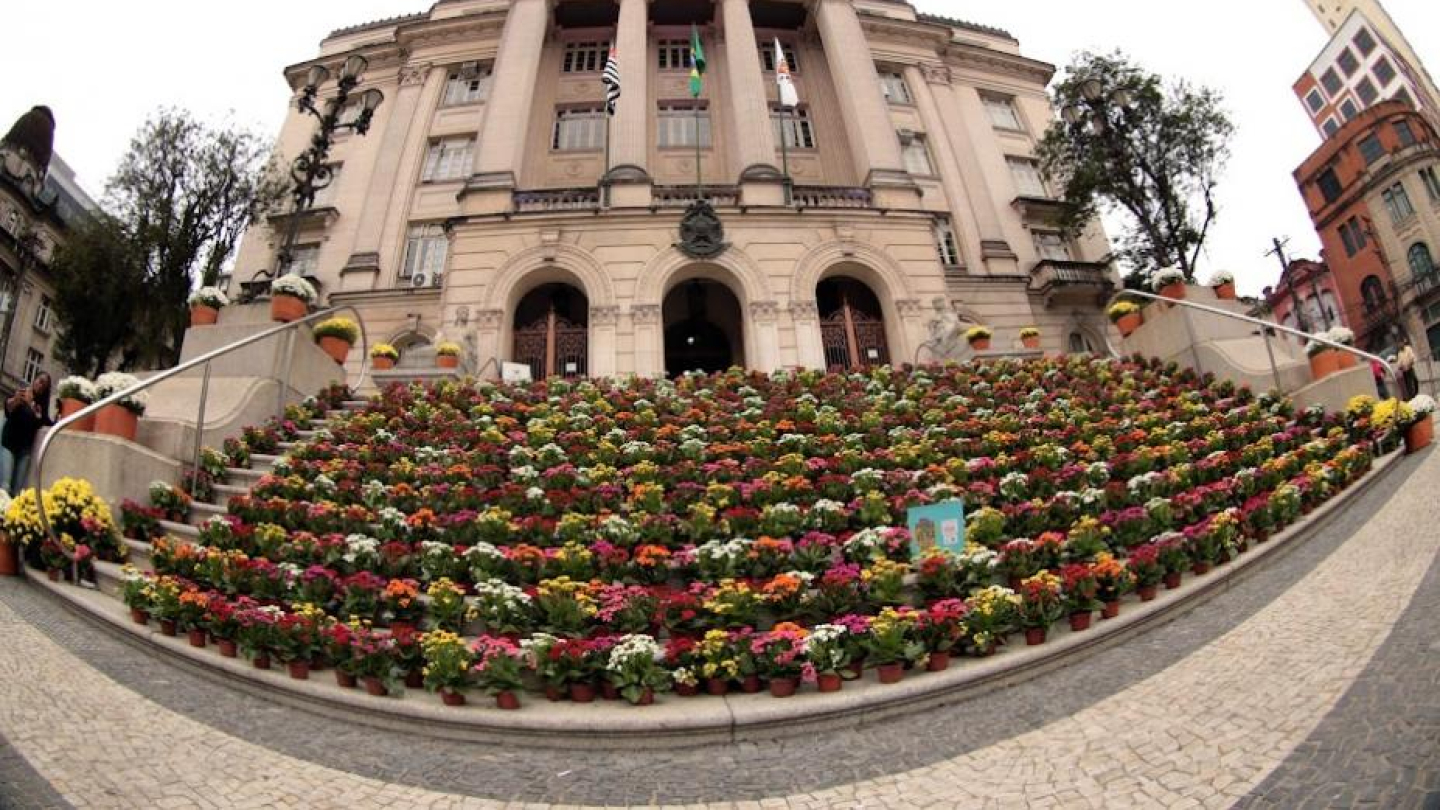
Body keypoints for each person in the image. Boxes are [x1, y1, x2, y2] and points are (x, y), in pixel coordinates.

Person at [1, 373, 53, 494]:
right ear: (34, 379)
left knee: (17, 491)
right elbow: (8, 409)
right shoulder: (22, 393)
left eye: (44, 386)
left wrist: (34, 409)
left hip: (25, 450)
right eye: (40, 381)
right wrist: (15, 400)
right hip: (9, 444)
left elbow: (45, 422)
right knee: (5, 486)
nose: (40, 386)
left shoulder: (40, 406)